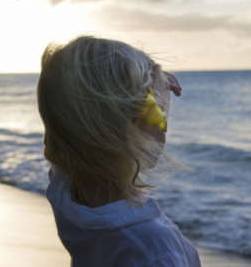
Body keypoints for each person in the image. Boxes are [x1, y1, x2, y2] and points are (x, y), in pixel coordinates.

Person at [37, 36, 201, 267]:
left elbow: (68, 118)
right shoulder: (154, 250)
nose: (165, 128)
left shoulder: (66, 192)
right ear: (132, 124)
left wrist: (155, 83)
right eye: (161, 118)